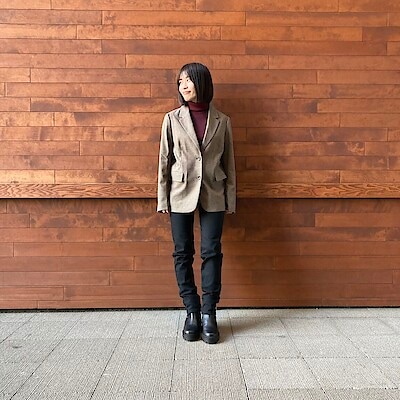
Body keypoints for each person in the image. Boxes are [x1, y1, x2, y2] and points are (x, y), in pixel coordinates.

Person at [157, 62, 236, 344]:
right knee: (182, 253)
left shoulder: (222, 121)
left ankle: (208, 313)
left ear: (202, 82)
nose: (183, 86)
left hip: (214, 192)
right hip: (179, 192)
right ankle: (191, 311)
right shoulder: (172, 119)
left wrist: (230, 199)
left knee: (211, 252)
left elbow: (229, 163)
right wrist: (162, 197)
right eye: (180, 82)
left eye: (188, 80)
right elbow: (164, 160)